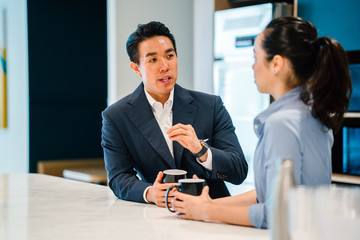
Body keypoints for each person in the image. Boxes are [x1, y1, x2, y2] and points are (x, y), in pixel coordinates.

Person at [171, 16, 352, 228]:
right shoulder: (312, 111)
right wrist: (209, 203)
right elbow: (270, 194)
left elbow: (278, 213)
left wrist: (206, 210)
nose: (252, 66)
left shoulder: (281, 123)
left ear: (276, 63)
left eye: (256, 57)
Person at [101, 21, 248, 206]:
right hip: (156, 220)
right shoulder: (116, 117)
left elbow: (239, 170)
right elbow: (118, 177)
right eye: (153, 60)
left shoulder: (211, 106)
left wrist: (201, 150)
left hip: (214, 214)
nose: (164, 66)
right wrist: (150, 193)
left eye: (169, 56)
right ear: (136, 68)